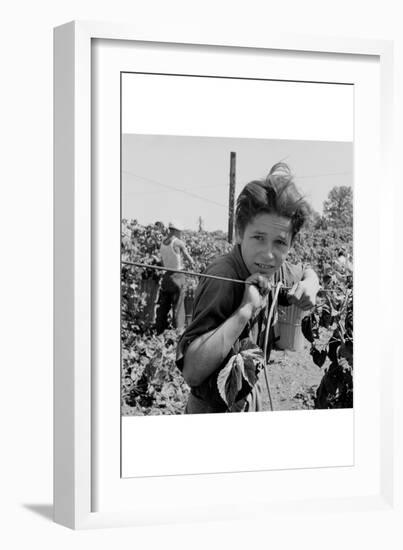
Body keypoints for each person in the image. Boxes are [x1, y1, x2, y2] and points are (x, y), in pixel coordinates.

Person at [176, 163, 320, 413]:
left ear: (290, 243)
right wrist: (244, 310)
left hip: (251, 398)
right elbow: (192, 372)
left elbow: (304, 269)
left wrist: (311, 282)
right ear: (240, 233)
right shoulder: (223, 277)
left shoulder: (275, 268)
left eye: (279, 243)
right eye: (258, 238)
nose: (268, 254)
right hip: (214, 409)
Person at [155, 220, 194, 334]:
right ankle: (178, 332)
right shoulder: (178, 243)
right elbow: (190, 260)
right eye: (180, 232)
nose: (181, 234)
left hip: (166, 277)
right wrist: (190, 264)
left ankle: (159, 330)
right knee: (179, 306)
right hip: (178, 277)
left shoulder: (162, 242)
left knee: (164, 306)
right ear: (176, 231)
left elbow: (163, 262)